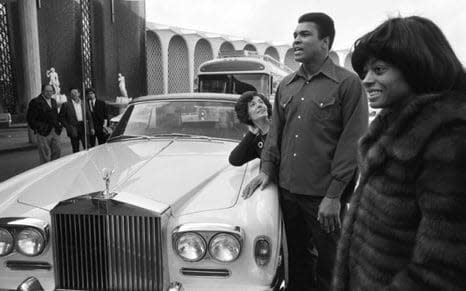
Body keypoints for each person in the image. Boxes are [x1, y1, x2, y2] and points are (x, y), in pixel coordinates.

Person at [332, 16, 466, 291]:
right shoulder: (390, 128)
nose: (367, 80)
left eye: (379, 69)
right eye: (365, 72)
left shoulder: (449, 138)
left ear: (418, 68)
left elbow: (443, 268)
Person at [243, 13, 368, 291]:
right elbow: (275, 134)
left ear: (325, 42)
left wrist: (334, 195)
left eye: (304, 34)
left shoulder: (348, 84)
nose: (296, 40)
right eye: (295, 35)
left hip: (323, 199)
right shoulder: (287, 85)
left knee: (331, 265)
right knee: (295, 262)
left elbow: (352, 143)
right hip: (288, 193)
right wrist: (266, 170)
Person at [228, 91, 272, 166]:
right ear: (247, 115)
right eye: (253, 105)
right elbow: (235, 160)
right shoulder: (257, 141)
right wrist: (251, 133)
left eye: (261, 102)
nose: (259, 105)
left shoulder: (280, 127)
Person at [26, 84, 62, 164]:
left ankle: (54, 170)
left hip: (55, 131)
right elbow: (30, 119)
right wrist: (39, 128)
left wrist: (59, 126)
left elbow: (55, 115)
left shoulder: (53, 101)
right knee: (45, 156)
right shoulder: (35, 102)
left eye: (51, 91)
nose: (49, 93)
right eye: (47, 91)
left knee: (57, 152)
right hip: (43, 132)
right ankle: (46, 172)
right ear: (42, 91)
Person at [59, 87, 94, 153]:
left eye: (75, 93)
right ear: (70, 95)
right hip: (73, 128)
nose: (74, 94)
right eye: (72, 93)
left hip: (84, 127)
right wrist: (68, 127)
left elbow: (89, 116)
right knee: (75, 148)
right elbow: (61, 118)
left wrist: (92, 127)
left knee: (87, 146)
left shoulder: (84, 103)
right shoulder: (66, 104)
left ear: (79, 94)